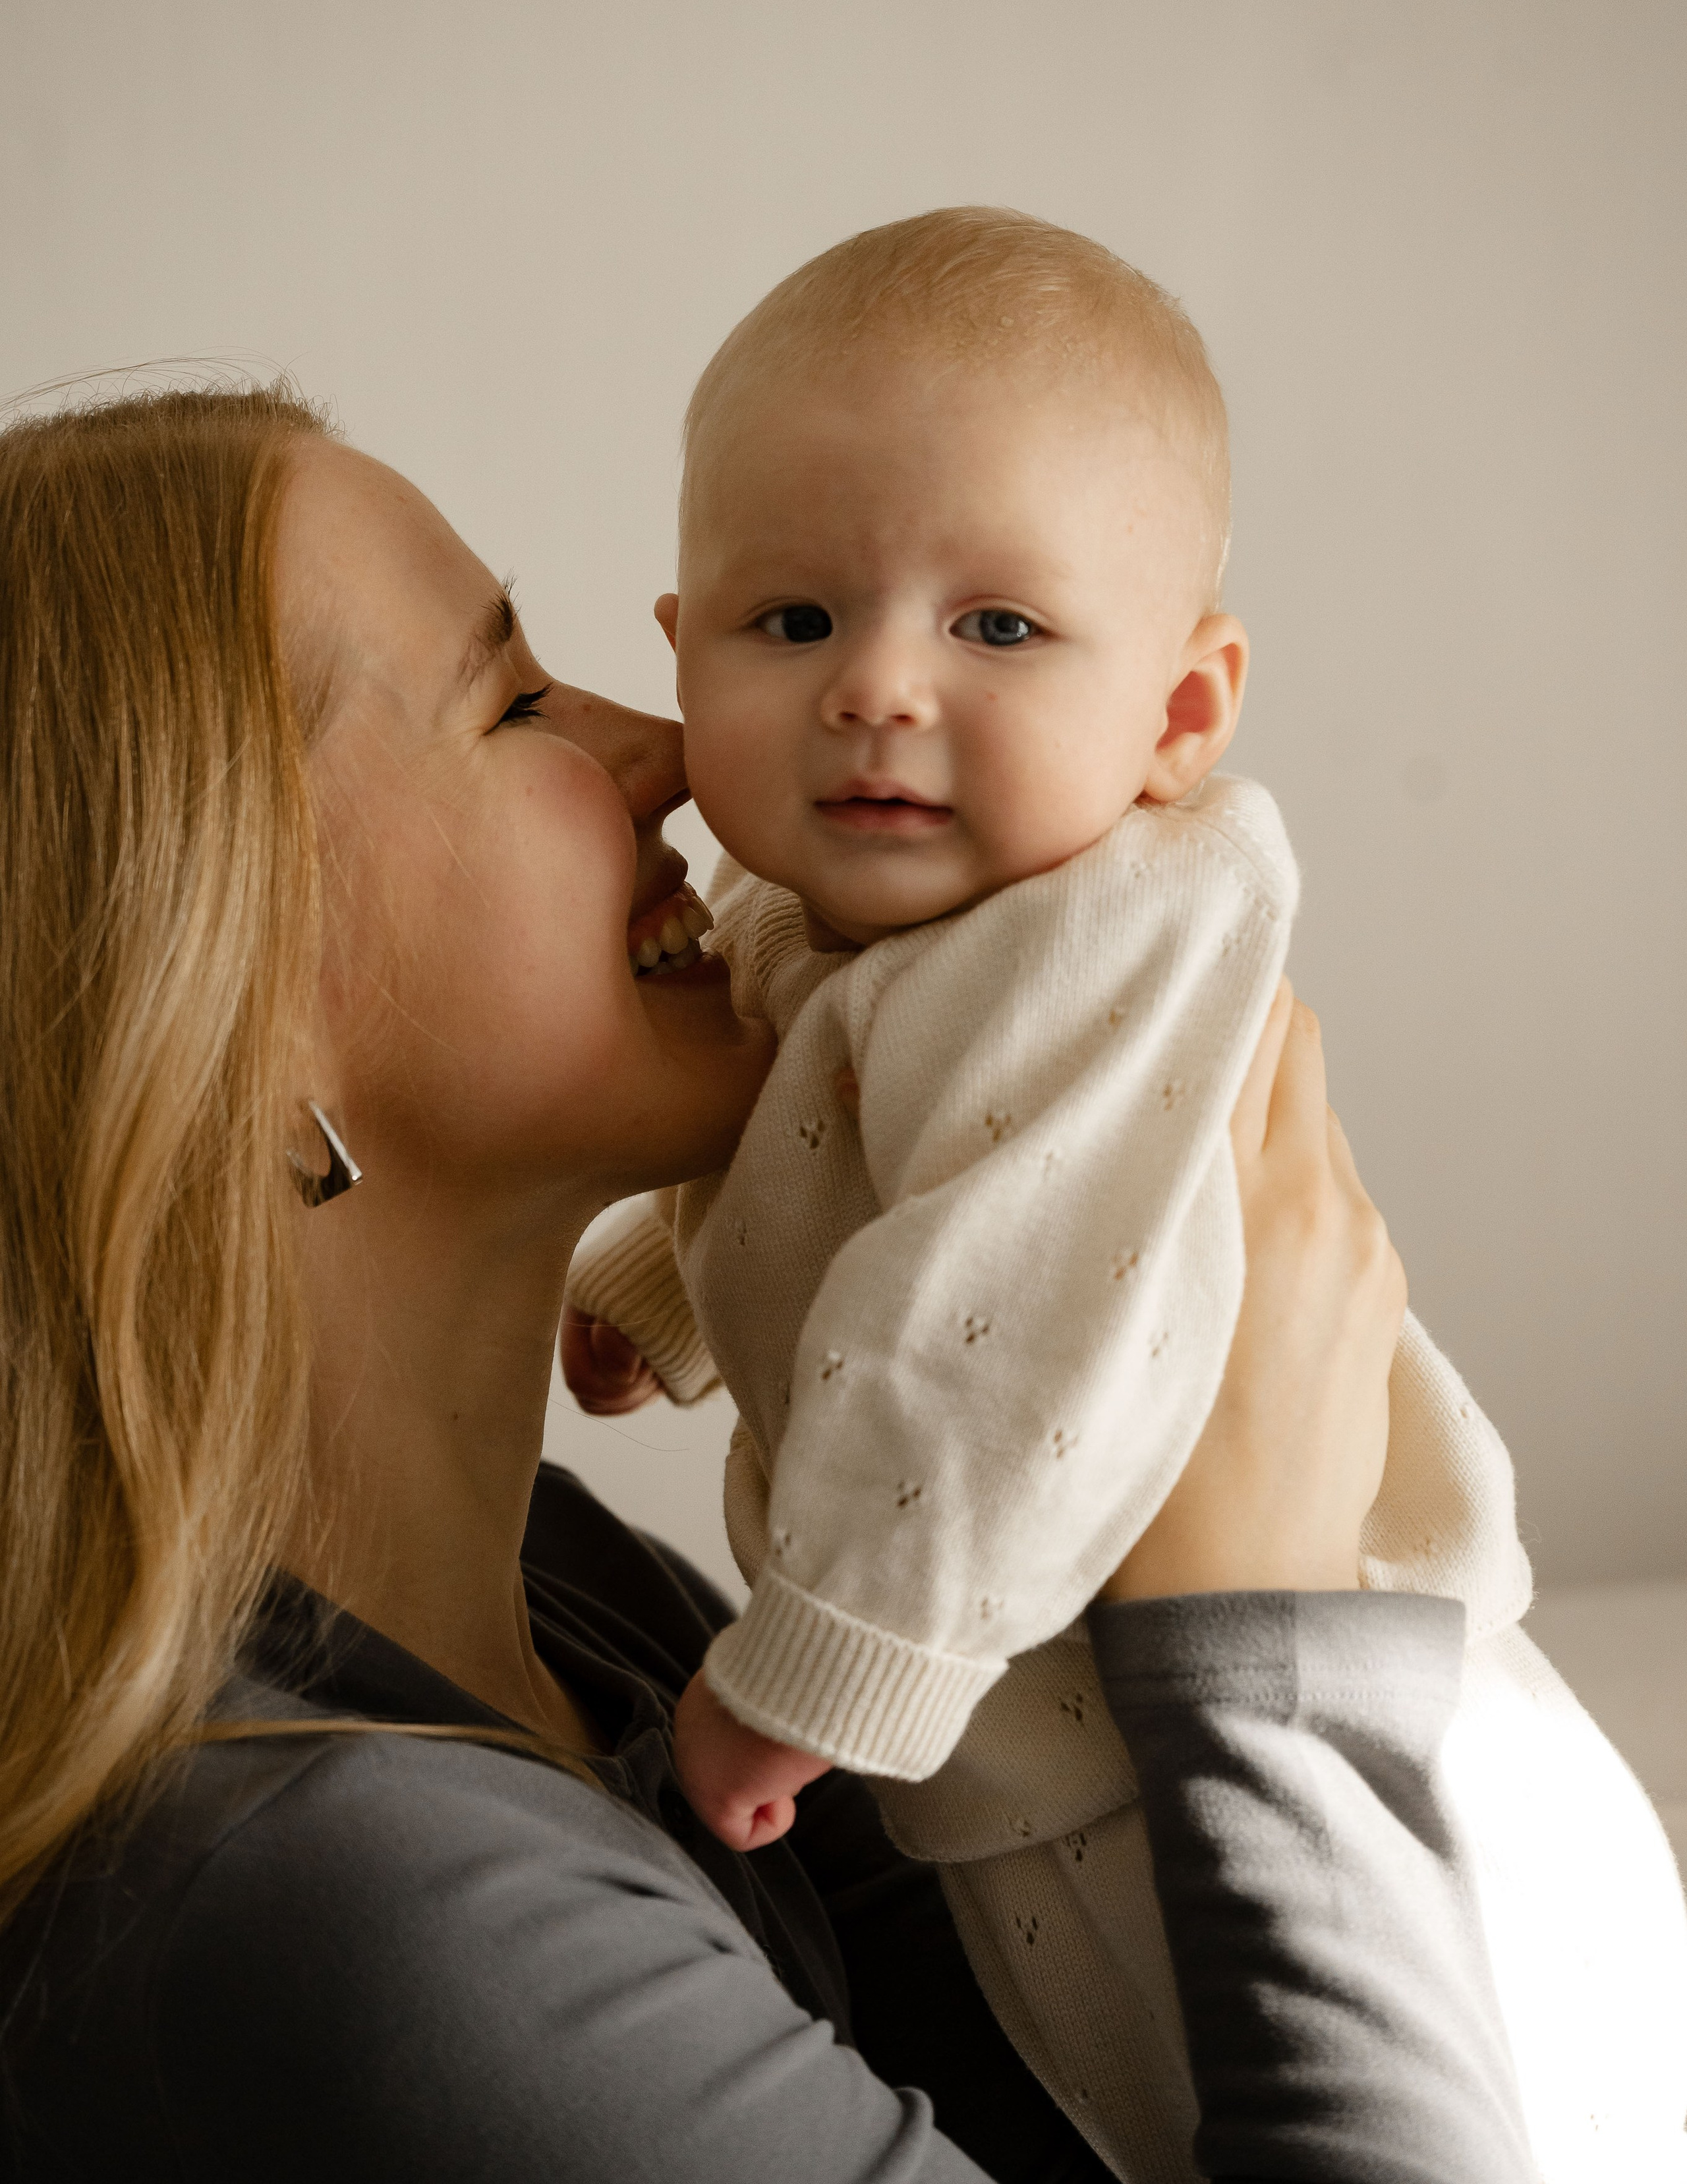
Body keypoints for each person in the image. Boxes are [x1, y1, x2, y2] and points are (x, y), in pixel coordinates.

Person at [0, 383, 1537, 2182]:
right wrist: (1267, 1635)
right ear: (222, 1007)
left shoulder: (561, 1598)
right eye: (512, 704)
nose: (673, 749)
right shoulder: (363, 1918)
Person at [563, 209, 1687, 2181]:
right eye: (794, 622)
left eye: (997, 629)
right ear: (682, 649)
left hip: (1346, 1735)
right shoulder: (815, 910)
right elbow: (804, 1156)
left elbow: (994, 1325)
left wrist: (816, 1666)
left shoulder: (1100, 940)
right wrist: (663, 1301)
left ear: (1179, 714)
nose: (876, 687)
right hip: (1089, 1732)